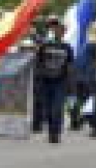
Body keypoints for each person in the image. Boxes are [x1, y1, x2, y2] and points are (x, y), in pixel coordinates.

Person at [31, 15, 74, 143]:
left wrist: (70, 84)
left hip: (60, 81)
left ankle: (56, 134)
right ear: (53, 30)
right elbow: (37, 62)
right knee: (49, 108)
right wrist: (38, 79)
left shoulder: (67, 47)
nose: (59, 32)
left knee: (57, 108)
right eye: (57, 29)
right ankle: (51, 131)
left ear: (64, 32)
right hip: (46, 80)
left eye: (62, 30)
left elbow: (70, 65)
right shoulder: (44, 45)